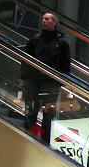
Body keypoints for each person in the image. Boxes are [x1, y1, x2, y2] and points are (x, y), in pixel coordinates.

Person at [21, 12, 71, 143]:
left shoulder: (62, 43)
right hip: (34, 81)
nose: (44, 21)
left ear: (54, 22)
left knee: (48, 113)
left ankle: (45, 140)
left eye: (47, 19)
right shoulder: (35, 39)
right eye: (43, 19)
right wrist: (24, 77)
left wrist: (62, 82)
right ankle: (26, 134)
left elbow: (66, 64)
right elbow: (26, 59)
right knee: (31, 109)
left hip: (50, 83)